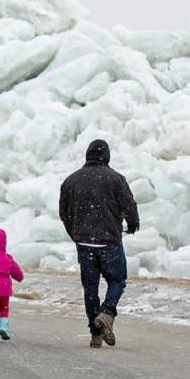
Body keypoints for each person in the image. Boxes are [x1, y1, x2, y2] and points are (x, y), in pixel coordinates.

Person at [59, 139, 139, 348]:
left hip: (84, 242)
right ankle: (107, 313)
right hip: (109, 240)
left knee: (90, 287)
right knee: (118, 279)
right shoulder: (115, 179)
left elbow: (64, 213)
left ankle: (95, 333)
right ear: (107, 156)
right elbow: (129, 205)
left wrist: (76, 234)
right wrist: (132, 224)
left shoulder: (71, 181)